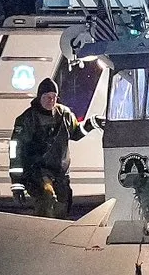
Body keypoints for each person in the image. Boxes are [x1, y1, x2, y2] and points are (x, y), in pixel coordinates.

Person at [9, 77, 90, 219]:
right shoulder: (27, 119)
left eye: (54, 97)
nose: (51, 100)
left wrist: (91, 124)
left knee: (64, 203)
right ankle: (44, 229)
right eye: (47, 96)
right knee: (47, 196)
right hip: (36, 171)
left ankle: (59, 229)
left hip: (60, 172)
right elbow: (16, 150)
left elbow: (75, 134)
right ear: (39, 97)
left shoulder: (65, 114)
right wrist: (17, 183)